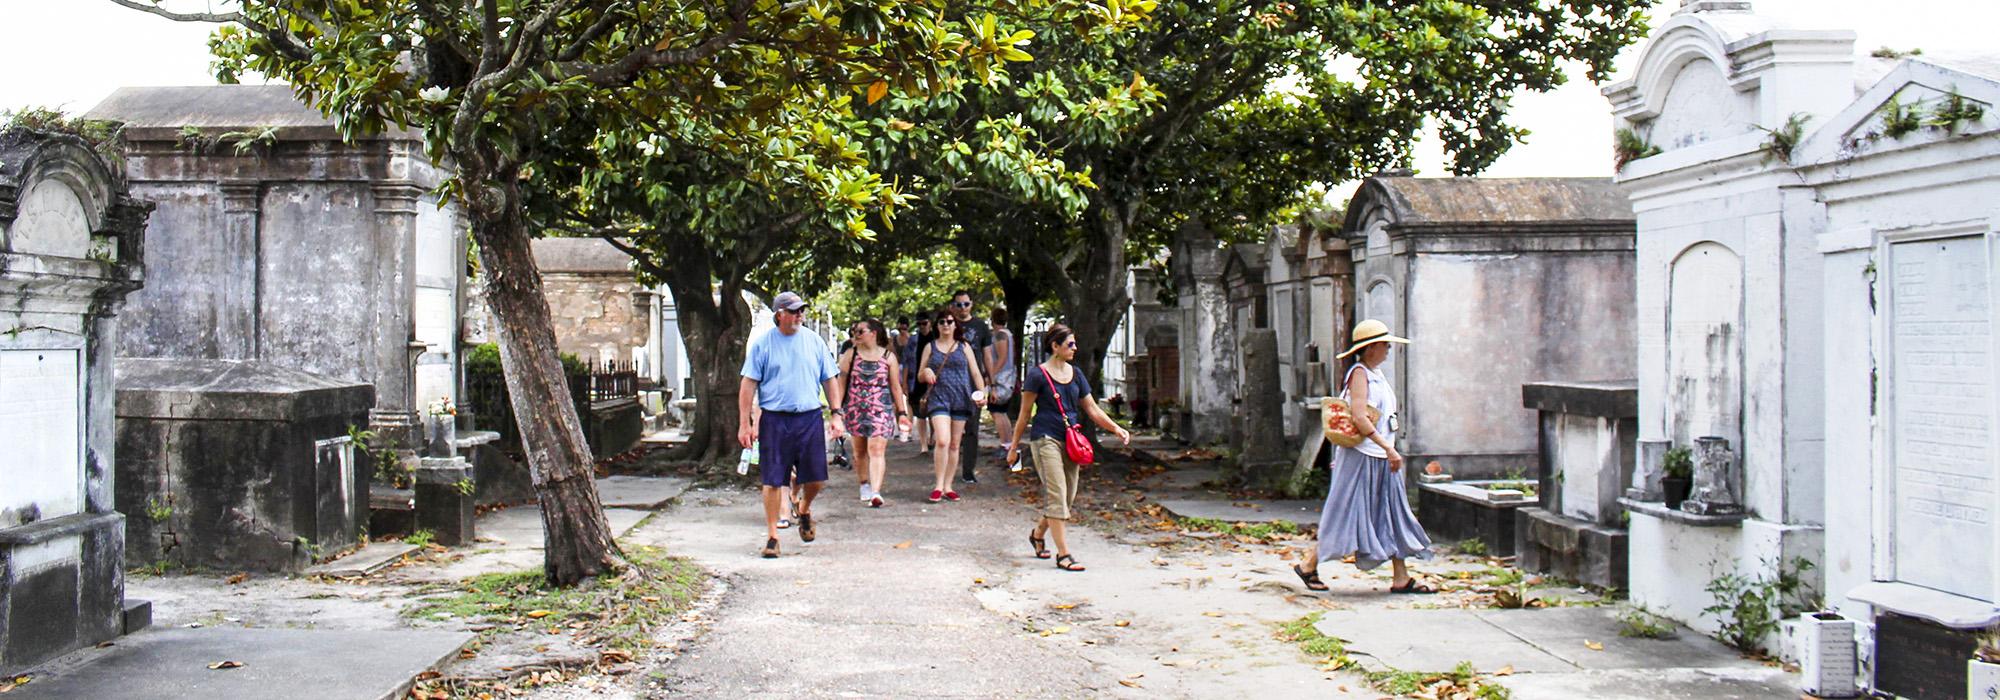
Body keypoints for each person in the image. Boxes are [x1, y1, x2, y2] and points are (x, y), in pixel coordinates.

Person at [1293, 319, 1435, 593]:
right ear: (1370, 348)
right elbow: (1359, 417)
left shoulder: (1376, 374)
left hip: (1381, 457)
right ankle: (1309, 564)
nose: (1388, 350)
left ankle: (1401, 576)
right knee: (1346, 511)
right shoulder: (1359, 374)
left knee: (1392, 512)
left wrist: (1387, 449)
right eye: (1384, 345)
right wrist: (1388, 447)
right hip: (1362, 455)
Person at [1007, 324, 1130, 572]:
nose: (1074, 348)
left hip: (1072, 440)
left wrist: (1115, 428)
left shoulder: (1077, 374)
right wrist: (1014, 446)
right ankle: (1064, 554)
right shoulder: (1037, 375)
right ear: (1055, 346)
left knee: (1066, 497)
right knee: (1056, 494)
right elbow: (1024, 415)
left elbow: (1092, 409)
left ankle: (1038, 533)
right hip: (1045, 439)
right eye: (1070, 344)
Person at [738, 291, 844, 559]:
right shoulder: (763, 345)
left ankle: (804, 508)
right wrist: (745, 423)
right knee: (773, 480)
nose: (799, 315)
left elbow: (830, 379)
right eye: (794, 311)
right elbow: (748, 384)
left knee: (817, 478)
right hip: (774, 418)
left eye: (801, 311)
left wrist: (836, 414)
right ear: (779, 315)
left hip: (808, 416)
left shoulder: (814, 341)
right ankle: (773, 536)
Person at [831, 318, 909, 508]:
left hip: (880, 409)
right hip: (855, 408)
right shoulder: (850, 355)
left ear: (873, 333)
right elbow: (840, 384)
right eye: (854, 331)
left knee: (876, 449)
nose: (855, 335)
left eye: (860, 331)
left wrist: (902, 413)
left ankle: (876, 491)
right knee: (859, 450)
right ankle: (864, 483)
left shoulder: (888, 357)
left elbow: (896, 387)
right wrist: (836, 411)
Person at [917, 309, 986, 502]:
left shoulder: (964, 346)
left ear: (955, 325)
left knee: (955, 444)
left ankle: (948, 486)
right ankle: (938, 485)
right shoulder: (930, 347)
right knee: (942, 440)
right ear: (936, 326)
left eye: (949, 321)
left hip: (961, 398)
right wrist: (927, 372)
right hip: (939, 397)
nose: (946, 325)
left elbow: (975, 373)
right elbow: (920, 373)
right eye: (941, 322)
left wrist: (983, 393)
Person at [947, 290, 992, 484]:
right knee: (948, 428)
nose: (962, 308)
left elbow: (987, 354)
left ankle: (968, 470)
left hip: (973, 383)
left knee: (972, 428)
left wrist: (991, 380)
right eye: (959, 304)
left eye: (966, 304)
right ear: (953, 306)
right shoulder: (947, 324)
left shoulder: (981, 326)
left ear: (971, 304)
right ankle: (947, 468)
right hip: (950, 382)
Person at [984, 306, 1020, 468]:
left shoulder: (1000, 335)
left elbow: (1002, 357)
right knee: (1002, 412)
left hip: (1000, 380)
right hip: (1008, 378)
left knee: (996, 411)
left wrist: (991, 375)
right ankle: (1009, 443)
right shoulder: (1009, 334)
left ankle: (1005, 443)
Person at [902, 316, 933, 452]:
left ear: (930, 323)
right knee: (919, 413)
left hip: (934, 380)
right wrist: (904, 383)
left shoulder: (936, 339)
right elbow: (907, 362)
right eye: (919, 324)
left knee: (934, 411)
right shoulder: (913, 341)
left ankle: (933, 437)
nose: (922, 326)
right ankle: (923, 444)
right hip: (916, 380)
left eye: (924, 323)